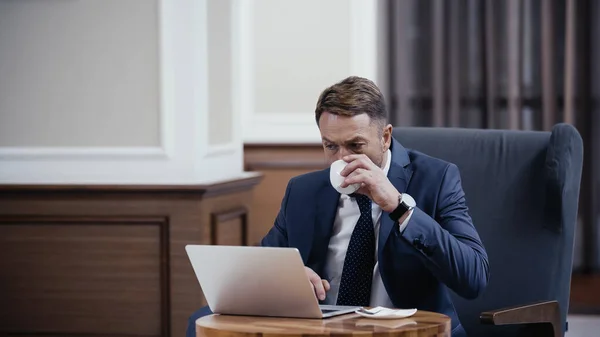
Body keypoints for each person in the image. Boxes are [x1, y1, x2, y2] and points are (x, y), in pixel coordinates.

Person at [187, 76, 489, 337]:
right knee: (198, 320)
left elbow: (473, 277)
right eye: (330, 146)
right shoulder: (303, 191)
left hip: (404, 330)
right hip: (323, 329)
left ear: (385, 138)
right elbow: (262, 262)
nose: (341, 159)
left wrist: (398, 207)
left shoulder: (436, 179)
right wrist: (288, 278)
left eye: (355, 146)